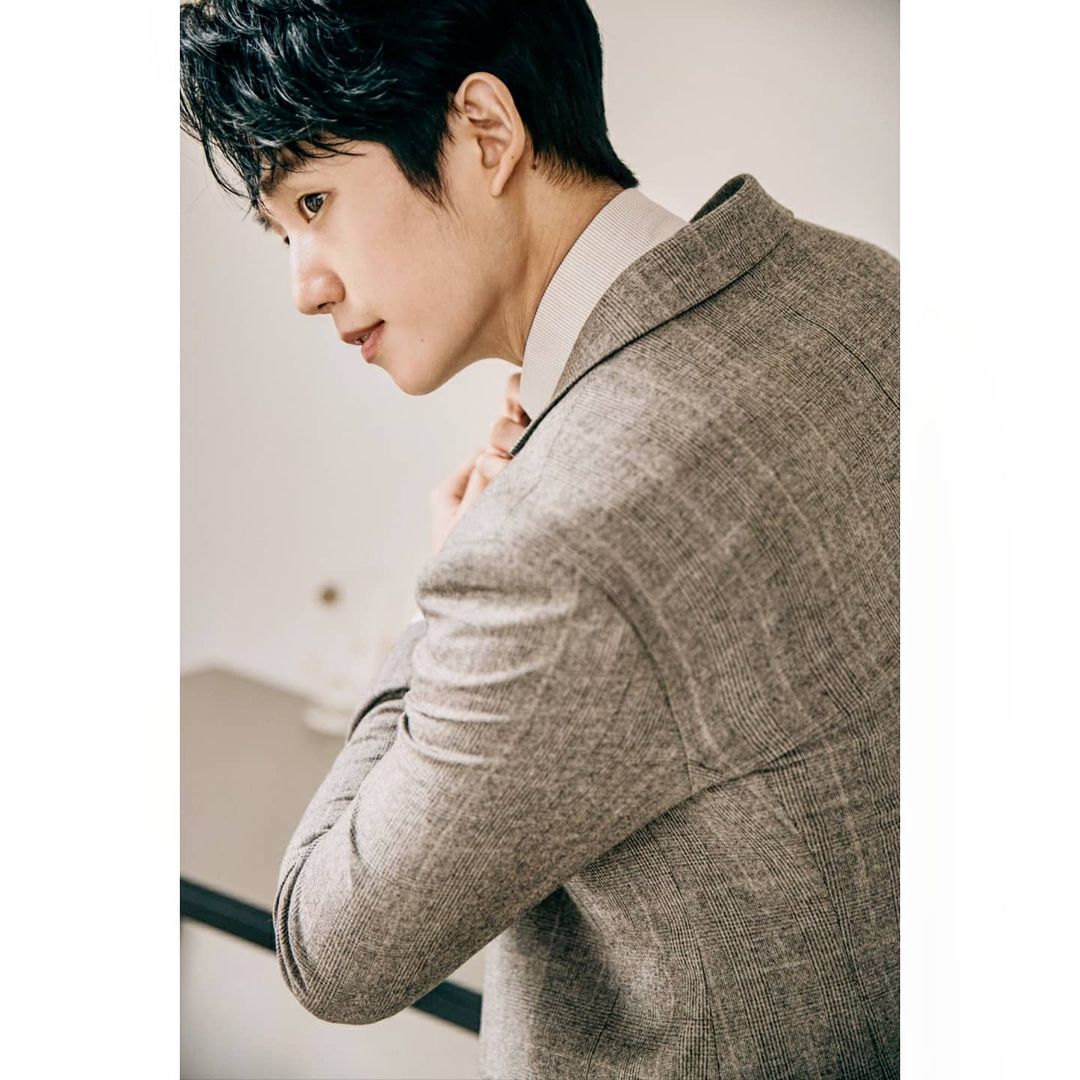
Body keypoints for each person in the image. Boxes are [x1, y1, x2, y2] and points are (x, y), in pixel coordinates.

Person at [180, 1, 900, 1076]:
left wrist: (440, 602)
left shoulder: (551, 543)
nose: (304, 286)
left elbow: (329, 950)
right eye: (283, 230)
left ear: (485, 131)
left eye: (315, 201)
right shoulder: (864, 288)